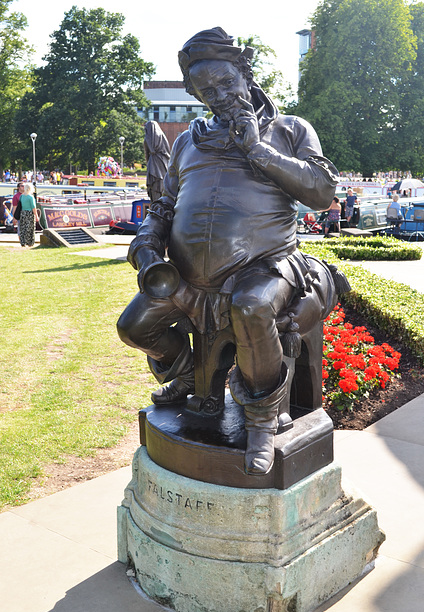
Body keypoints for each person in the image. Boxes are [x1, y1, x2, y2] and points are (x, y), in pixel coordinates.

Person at [117, 27, 339, 475]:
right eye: (206, 91)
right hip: (185, 277)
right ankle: (184, 371)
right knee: (134, 327)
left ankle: (261, 420)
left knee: (252, 306)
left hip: (265, 266)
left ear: (246, 71)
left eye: (225, 83)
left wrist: (257, 149)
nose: (218, 96)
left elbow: (321, 191)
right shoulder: (186, 140)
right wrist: (146, 242)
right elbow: (164, 204)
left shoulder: (290, 129)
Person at [18, 183, 39, 247]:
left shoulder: (21, 196)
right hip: (29, 213)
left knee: (23, 228)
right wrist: (36, 216)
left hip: (23, 213)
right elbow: (33, 207)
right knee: (30, 228)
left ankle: (23, 242)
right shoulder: (31, 197)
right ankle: (30, 242)